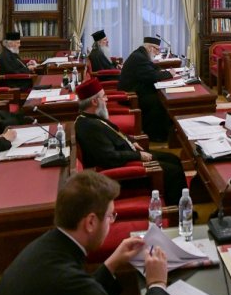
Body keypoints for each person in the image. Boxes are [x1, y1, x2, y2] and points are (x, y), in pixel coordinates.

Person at [0, 171, 177, 295]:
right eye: (110, 216)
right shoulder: (66, 282)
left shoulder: (48, 245)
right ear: (90, 222)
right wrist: (157, 283)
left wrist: (112, 263)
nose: (111, 222)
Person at [73, 78, 186, 206]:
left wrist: (132, 141)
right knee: (174, 172)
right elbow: (109, 158)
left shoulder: (91, 117)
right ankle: (177, 212)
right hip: (125, 173)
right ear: (94, 101)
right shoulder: (90, 127)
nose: (107, 99)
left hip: (128, 155)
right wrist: (138, 155)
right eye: (103, 96)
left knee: (174, 159)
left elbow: (115, 132)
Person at [119, 36, 173, 142]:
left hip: (137, 90)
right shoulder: (139, 57)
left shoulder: (140, 54)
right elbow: (152, 76)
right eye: (157, 49)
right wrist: (169, 74)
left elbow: (152, 67)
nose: (158, 53)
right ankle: (156, 136)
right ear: (150, 48)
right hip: (131, 96)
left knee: (160, 97)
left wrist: (163, 71)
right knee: (158, 101)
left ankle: (166, 132)